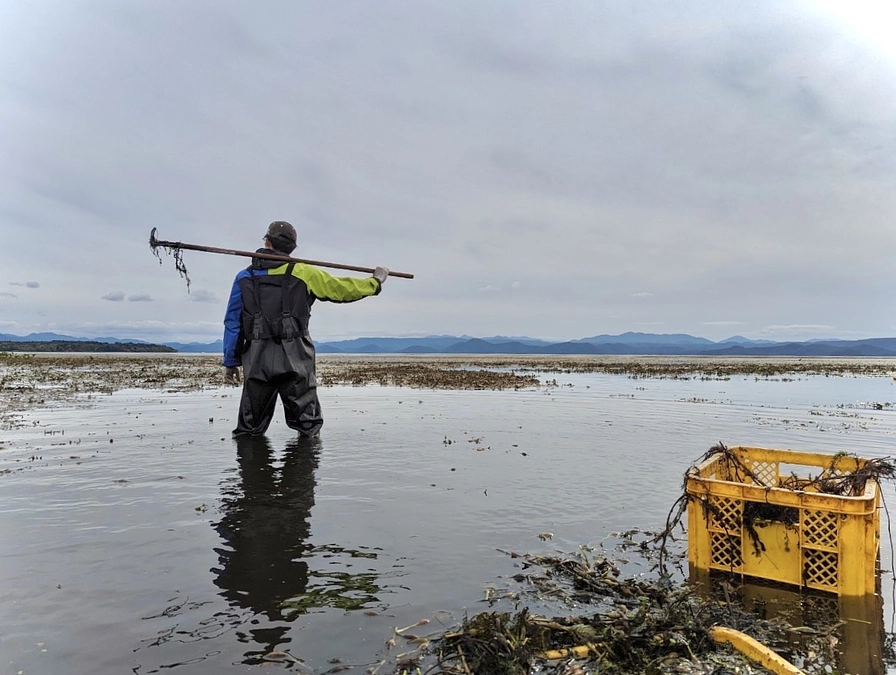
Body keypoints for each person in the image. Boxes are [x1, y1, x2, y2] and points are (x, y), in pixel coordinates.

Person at [222, 221, 388, 438]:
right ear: (292, 247)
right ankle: (302, 469)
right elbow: (342, 289)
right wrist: (375, 282)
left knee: (248, 431)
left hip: (256, 359)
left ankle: (252, 470)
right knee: (308, 429)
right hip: (297, 357)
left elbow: (232, 323)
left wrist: (230, 361)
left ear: (267, 241)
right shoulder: (304, 272)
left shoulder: (243, 277)